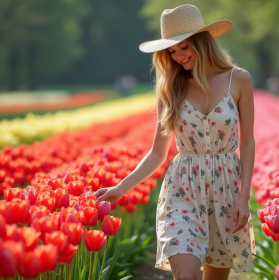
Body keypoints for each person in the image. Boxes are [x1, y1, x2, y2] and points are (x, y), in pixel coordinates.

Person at [94, 4, 256, 280]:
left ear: (202, 42)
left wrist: (243, 198)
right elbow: (158, 153)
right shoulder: (170, 88)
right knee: (186, 275)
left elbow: (248, 142)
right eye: (171, 51)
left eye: (183, 47)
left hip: (225, 192)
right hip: (183, 191)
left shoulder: (239, 80)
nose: (178, 56)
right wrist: (122, 187)